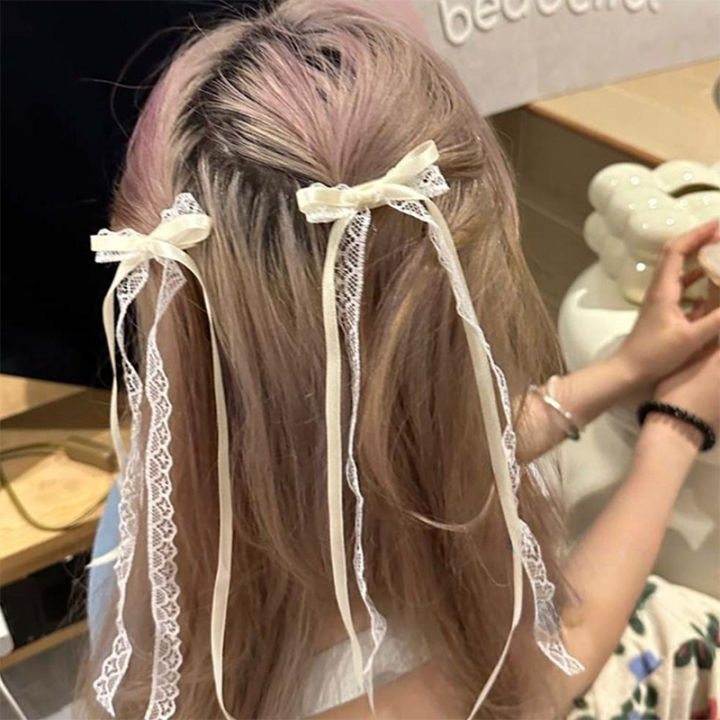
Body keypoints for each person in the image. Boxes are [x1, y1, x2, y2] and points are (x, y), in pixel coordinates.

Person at [82, 1, 720, 718]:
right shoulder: (384, 692)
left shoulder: (167, 497)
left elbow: (426, 462)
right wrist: (676, 428)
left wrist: (625, 369)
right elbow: (552, 664)